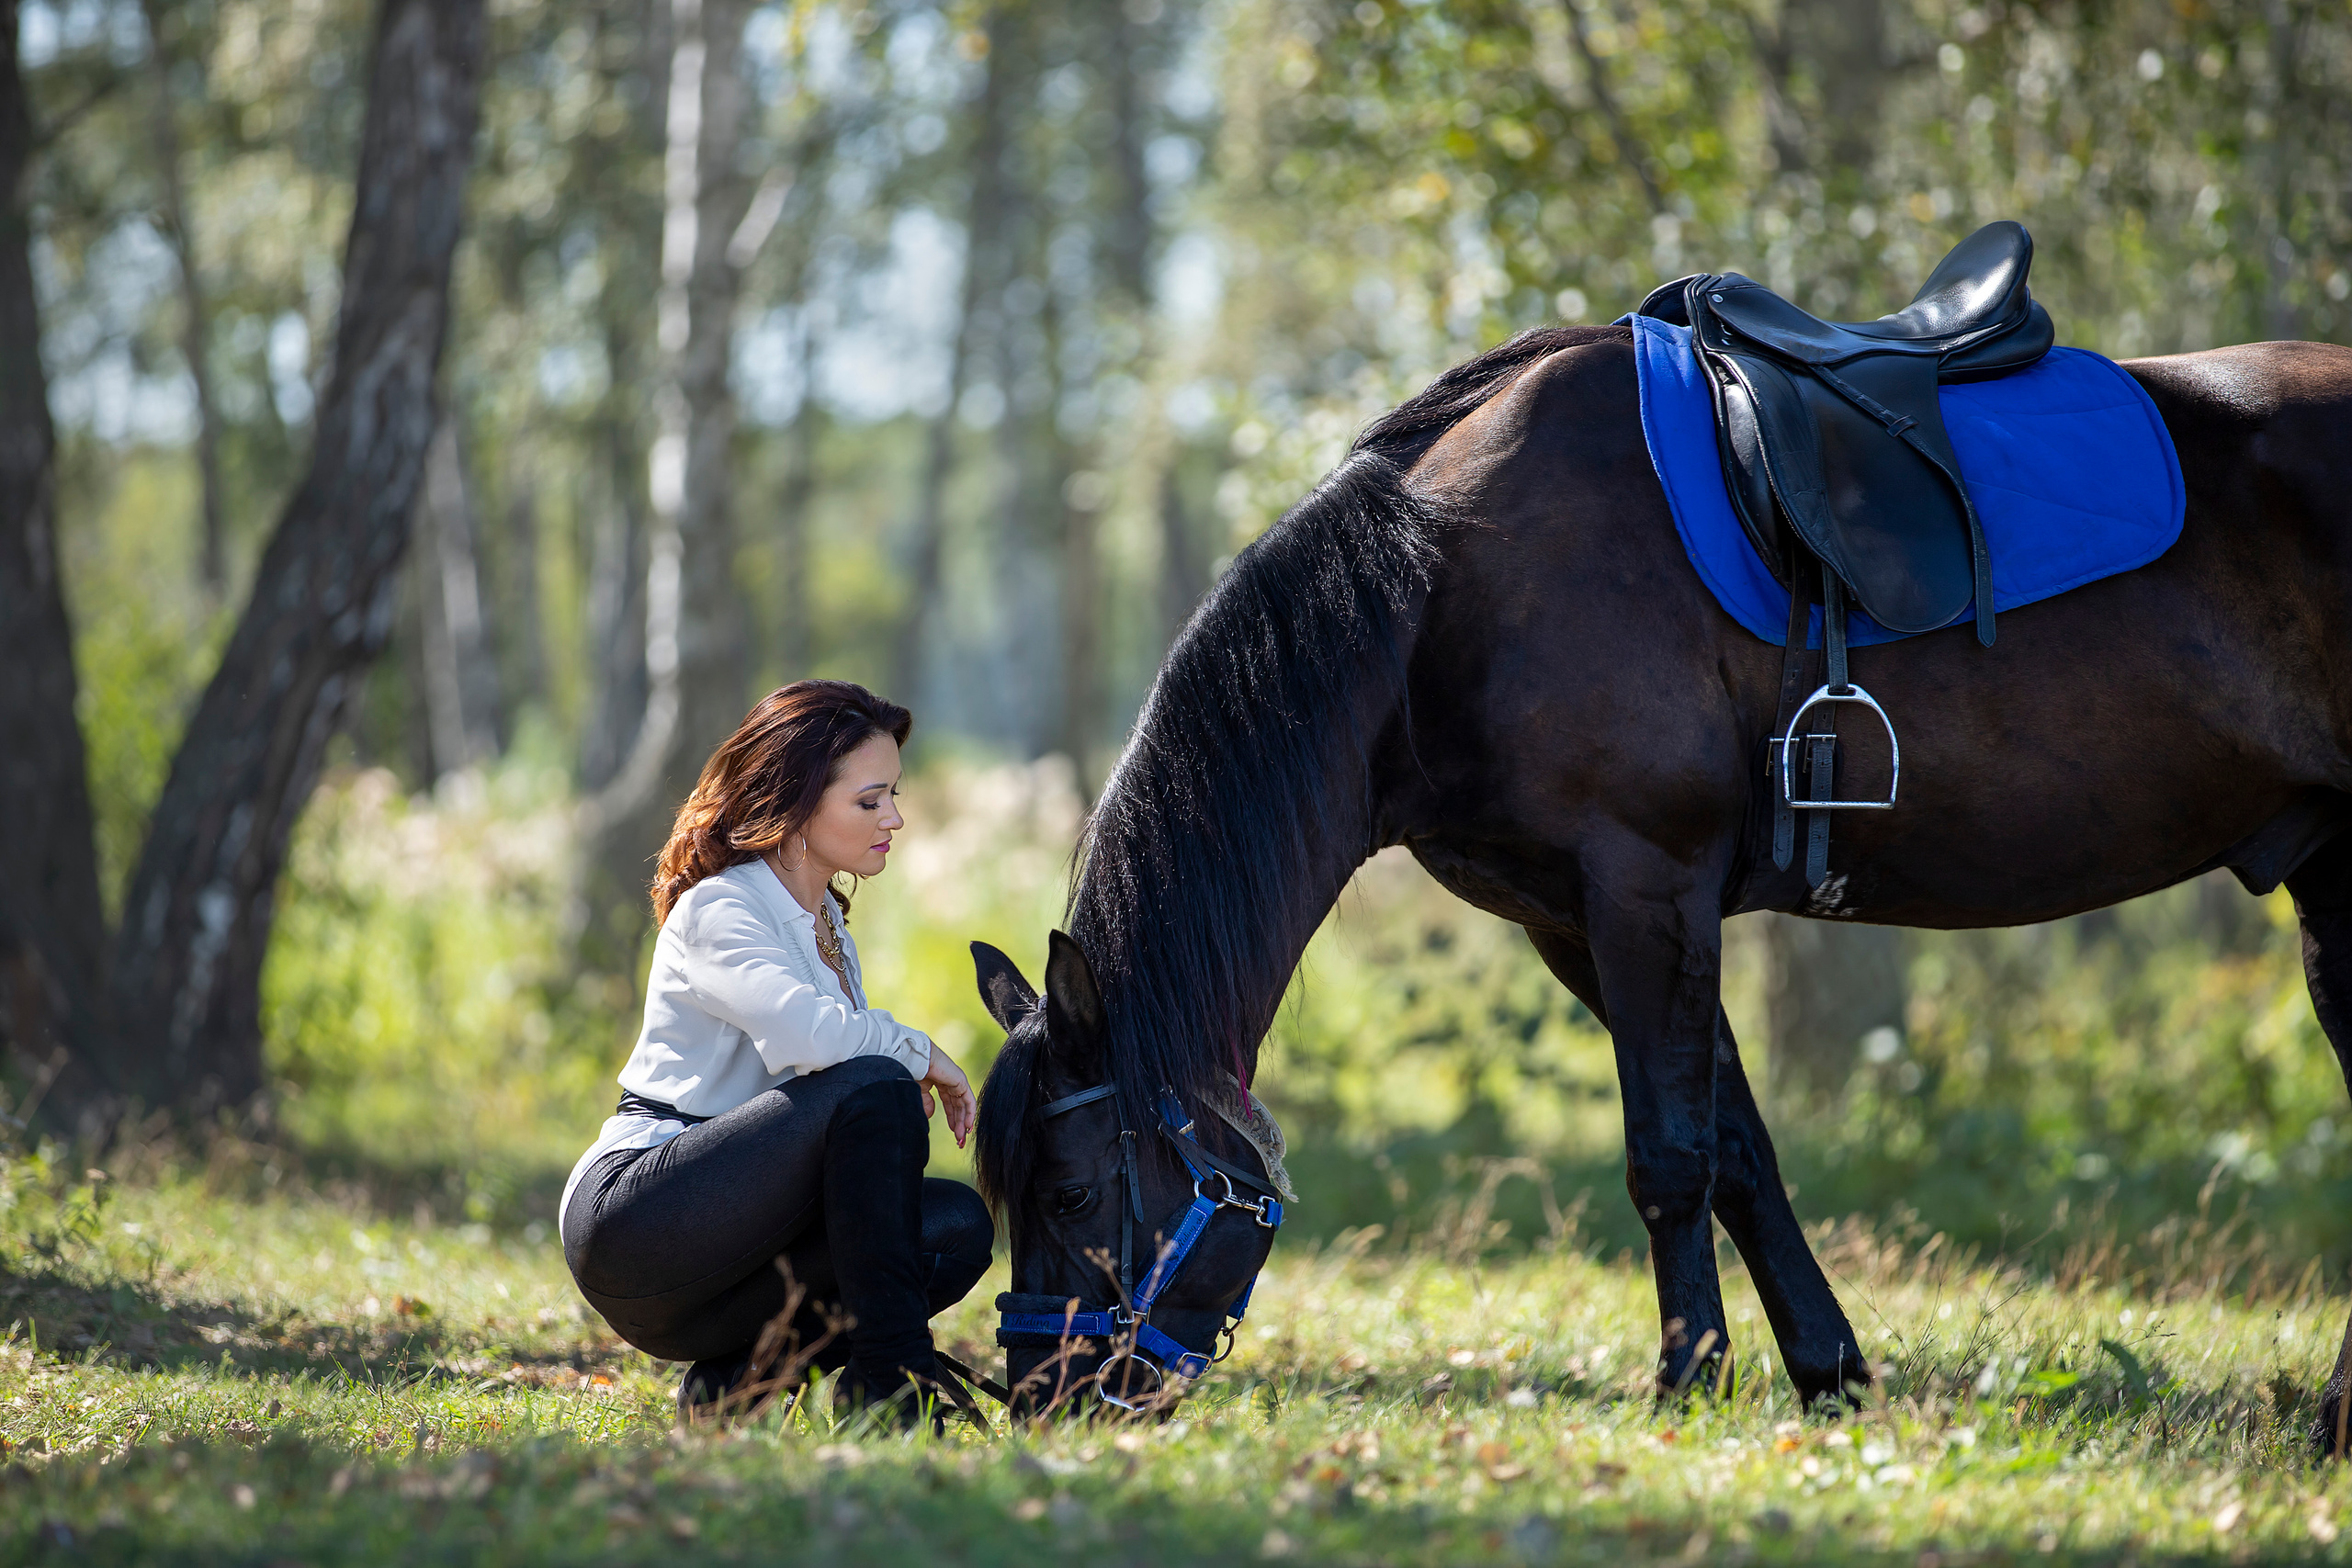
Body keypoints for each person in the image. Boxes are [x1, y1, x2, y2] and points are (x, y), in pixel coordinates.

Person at [559, 680, 991, 1422]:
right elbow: (809, 1038)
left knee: (955, 1227)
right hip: (636, 1221)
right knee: (877, 1084)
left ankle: (735, 1383)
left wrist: (879, 1113)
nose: (893, 817)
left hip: (738, 1249)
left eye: (892, 795)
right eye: (870, 800)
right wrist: (915, 1052)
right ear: (795, 800)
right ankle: (890, 1391)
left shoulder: (827, 925)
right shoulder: (721, 906)